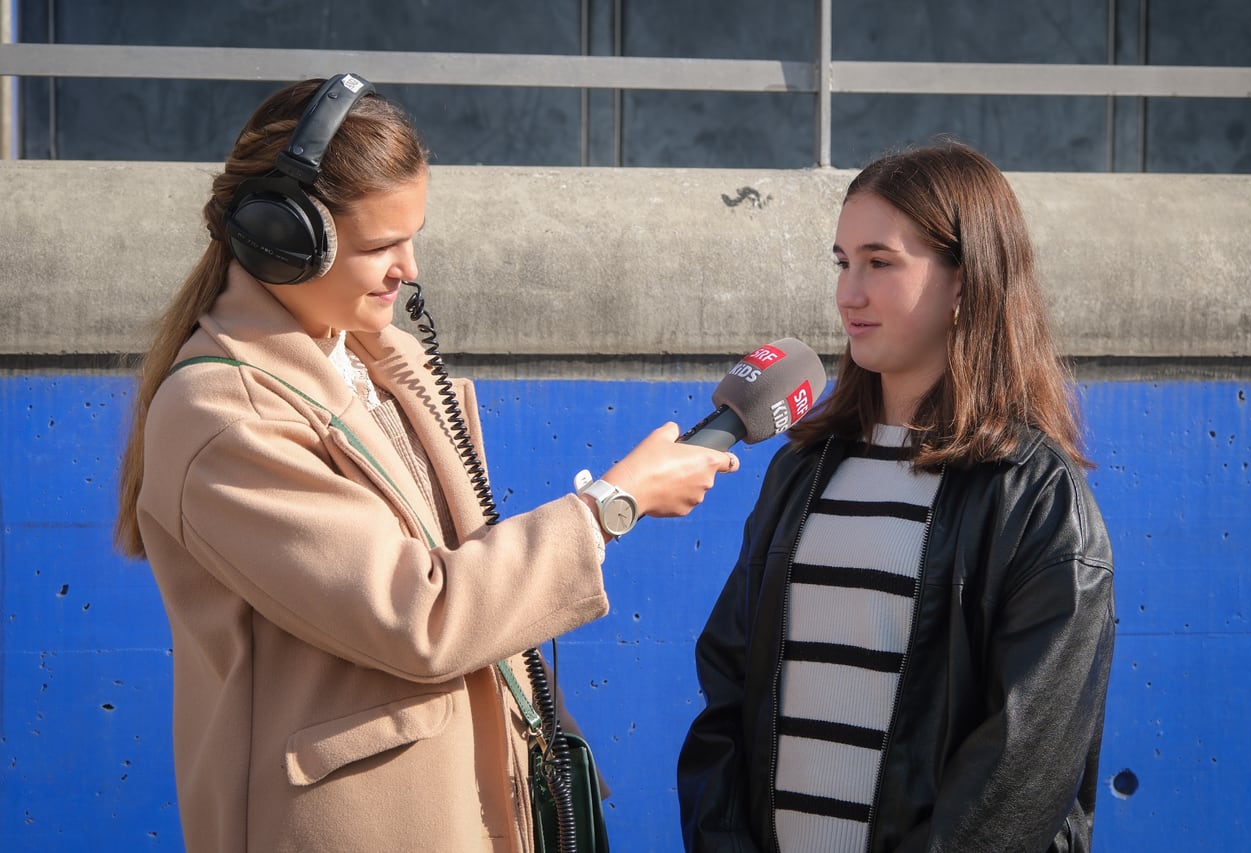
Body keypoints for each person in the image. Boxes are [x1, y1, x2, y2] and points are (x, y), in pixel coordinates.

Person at [114, 73, 737, 853]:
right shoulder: (222, 417)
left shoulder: (381, 360)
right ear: (281, 237)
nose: (408, 268)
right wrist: (613, 505)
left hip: (468, 807)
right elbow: (420, 616)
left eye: (413, 238)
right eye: (380, 246)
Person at [677, 141, 1115, 852]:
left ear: (966, 283)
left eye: (880, 262)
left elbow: (1022, 766)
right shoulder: (803, 469)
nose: (851, 292)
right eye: (843, 262)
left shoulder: (1035, 497)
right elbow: (728, 690)